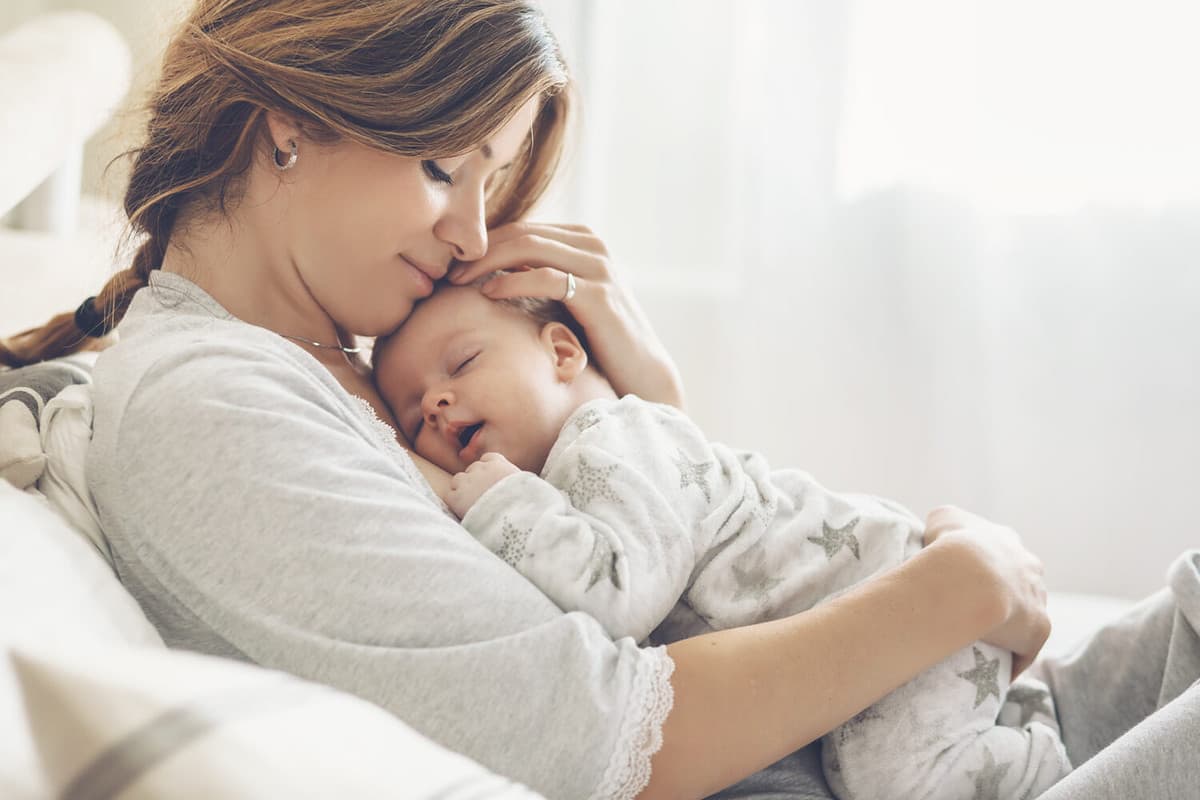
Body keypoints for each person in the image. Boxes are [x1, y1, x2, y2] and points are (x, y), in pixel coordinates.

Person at [0, 1, 1195, 798]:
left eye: (489, 182)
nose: (472, 229)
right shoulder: (213, 410)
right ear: (293, 125)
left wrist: (652, 404)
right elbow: (602, 724)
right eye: (439, 166)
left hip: (883, 731)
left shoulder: (342, 369)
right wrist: (956, 588)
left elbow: (676, 583)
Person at [371, 280, 1074, 800]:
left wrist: (502, 502)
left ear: (561, 351)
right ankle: (1013, 713)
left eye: (461, 365)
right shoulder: (581, 469)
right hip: (894, 619)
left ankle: (1047, 760)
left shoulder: (611, 437)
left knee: (891, 784)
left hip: (909, 607)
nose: (434, 402)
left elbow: (619, 596)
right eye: (412, 414)